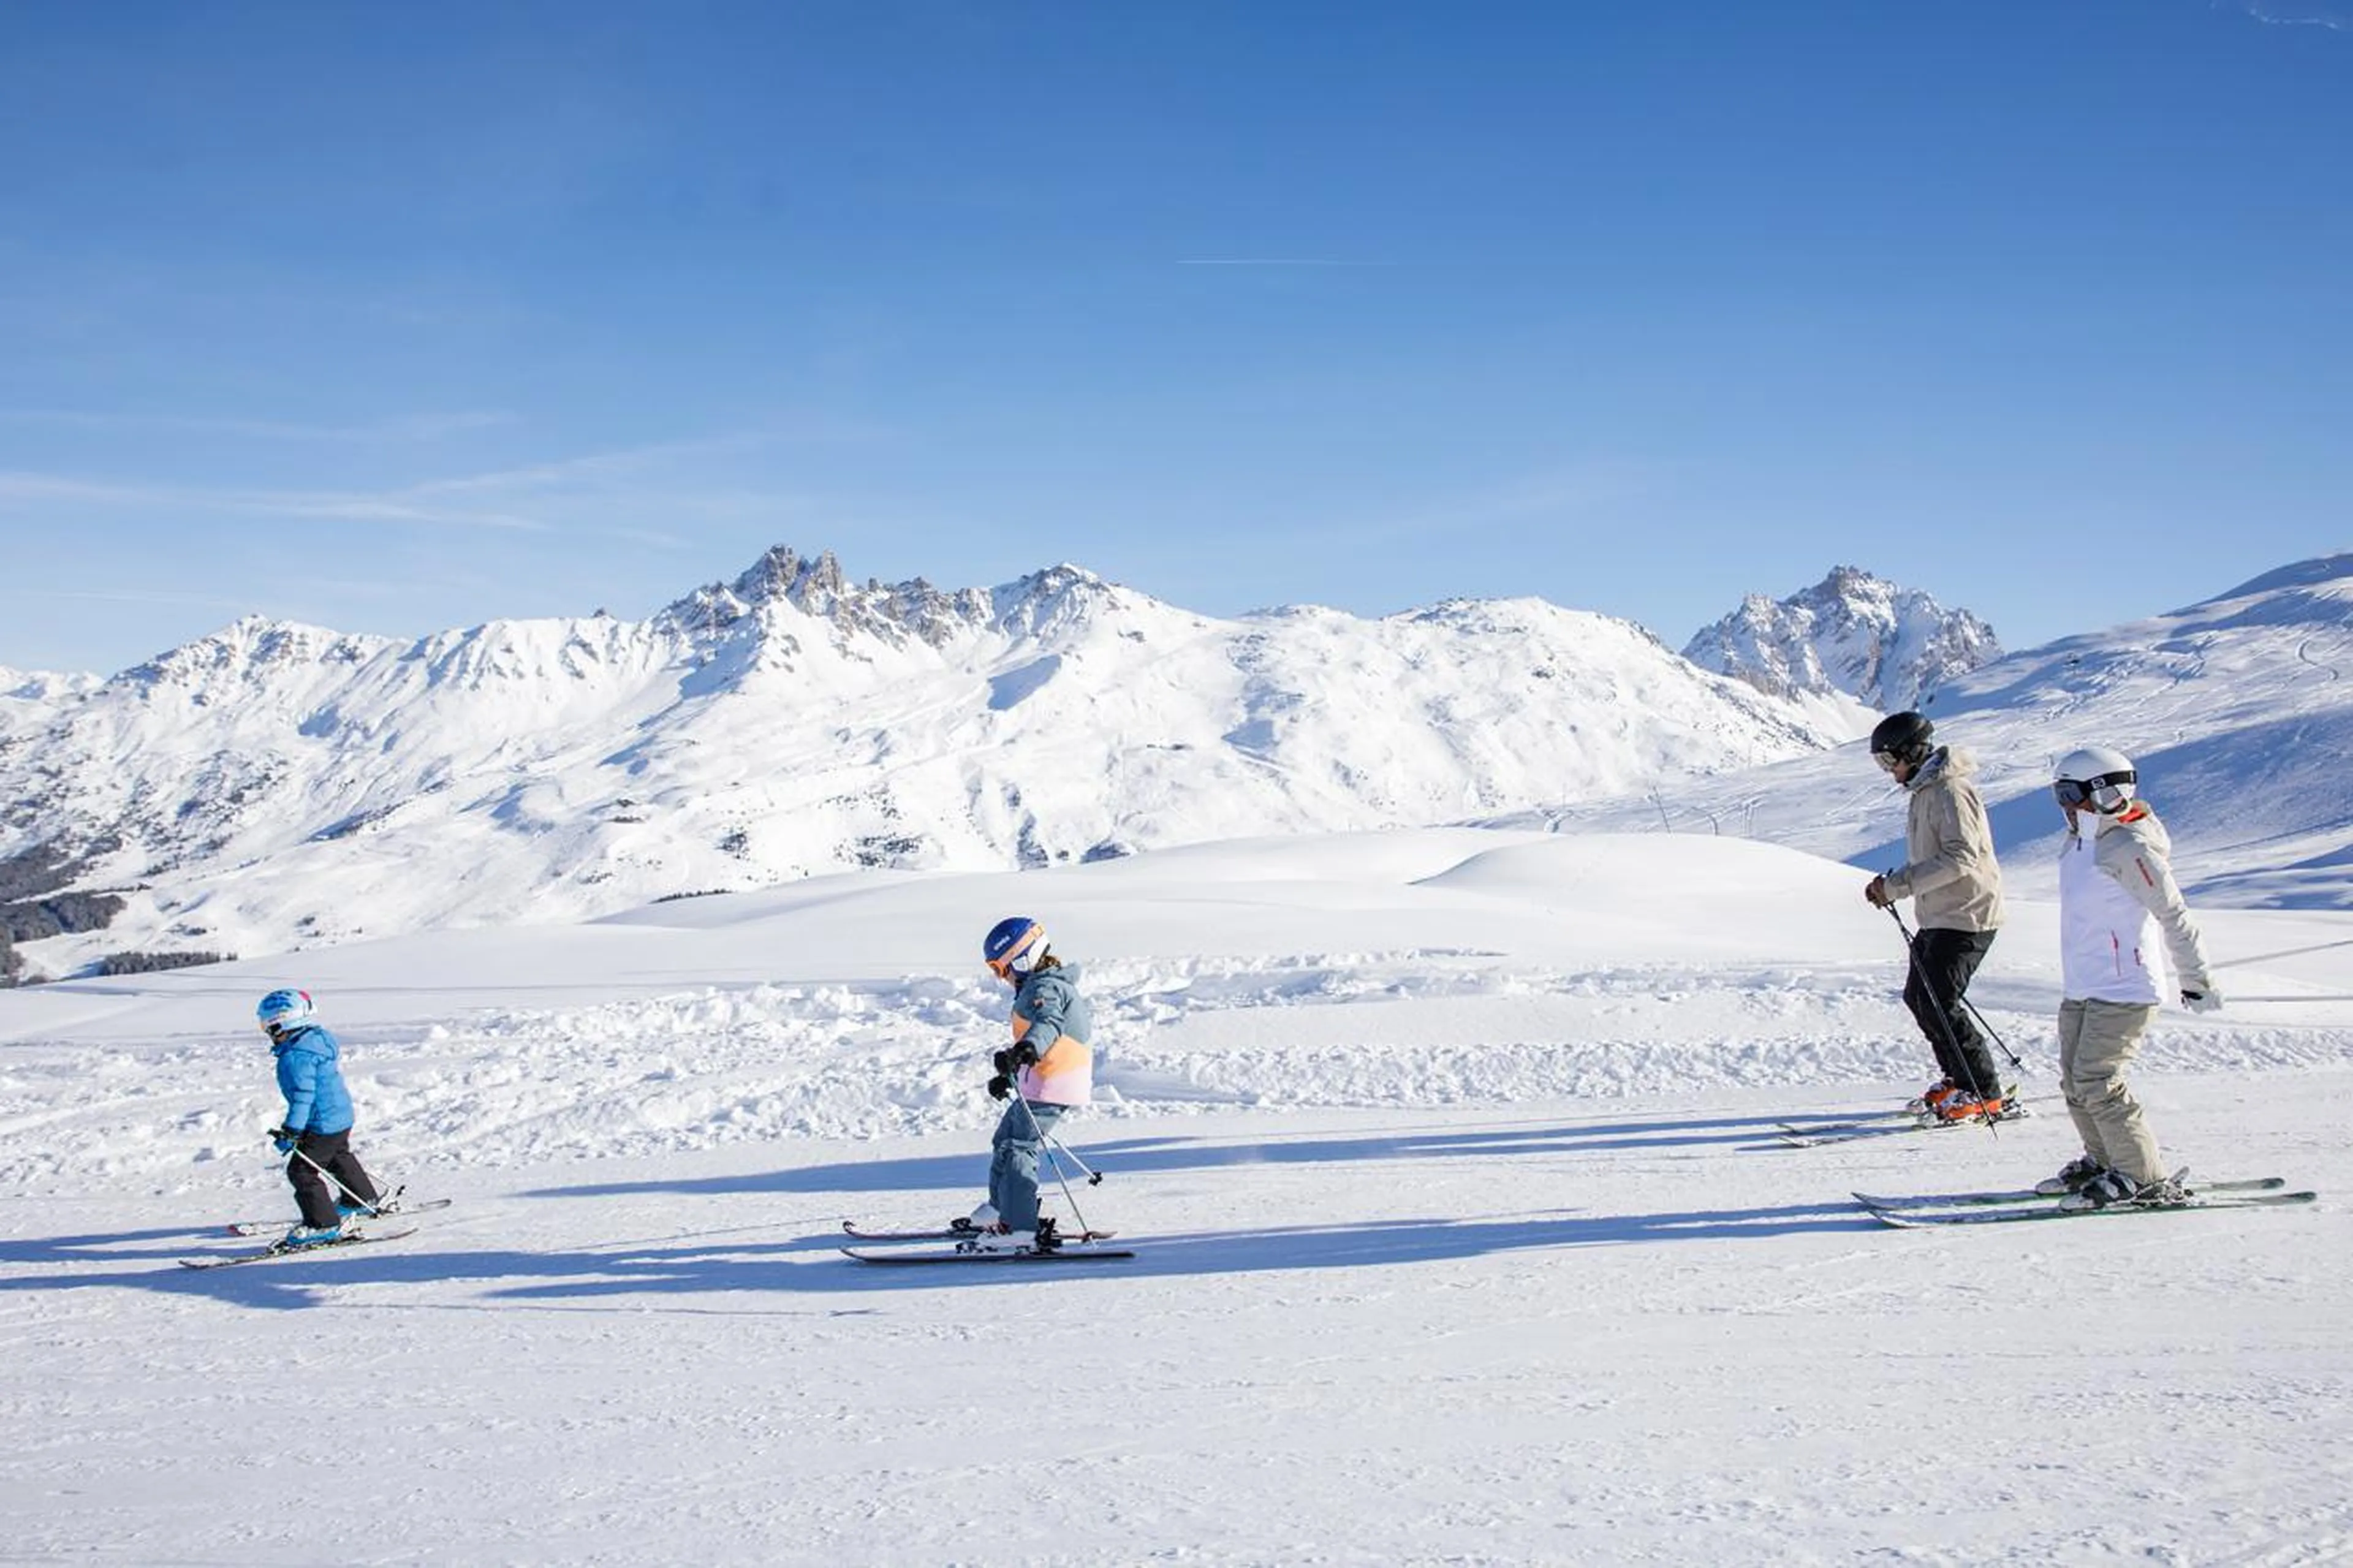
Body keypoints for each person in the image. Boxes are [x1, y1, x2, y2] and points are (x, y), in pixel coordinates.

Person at [2036, 746, 2219, 1209]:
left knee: (2099, 1080)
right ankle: (2103, 1161)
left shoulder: (2130, 847)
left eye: (2070, 793)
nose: (2064, 804)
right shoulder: (2080, 840)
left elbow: (2173, 915)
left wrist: (2195, 977)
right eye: (2059, 793)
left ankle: (2141, 1176)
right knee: (2075, 1083)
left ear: (2103, 793)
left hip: (2125, 986)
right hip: (2083, 982)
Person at [1861, 711, 2010, 1121]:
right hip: (1940, 913)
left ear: (1913, 751)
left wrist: (1897, 886)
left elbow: (1962, 856)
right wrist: (1897, 885)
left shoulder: (1950, 791)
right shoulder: (1927, 791)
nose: (1890, 772)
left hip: (1967, 913)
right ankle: (1959, 1080)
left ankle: (1983, 1090)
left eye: (1891, 761)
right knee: (1920, 998)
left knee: (1940, 1000)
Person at [966, 916, 1094, 1251]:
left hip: (1057, 1082)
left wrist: (1025, 1050)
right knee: (1005, 1139)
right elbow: (1034, 1040)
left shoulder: (1046, 988)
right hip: (1041, 1080)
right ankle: (1001, 1209)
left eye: (1000, 967)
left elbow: (1048, 1025)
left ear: (1022, 957)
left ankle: (1020, 1227)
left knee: (1019, 1146)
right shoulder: (1038, 986)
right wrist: (1007, 1073)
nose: (1001, 976)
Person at [257, 988, 384, 1249]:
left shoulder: (294, 1057)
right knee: (337, 1155)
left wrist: (292, 1131)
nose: (266, 1032)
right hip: (340, 1115)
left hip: (322, 1122)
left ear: (280, 1023)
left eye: (266, 1025)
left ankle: (322, 1225)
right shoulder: (316, 1040)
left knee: (302, 1171)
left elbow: (303, 1097)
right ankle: (360, 1199)